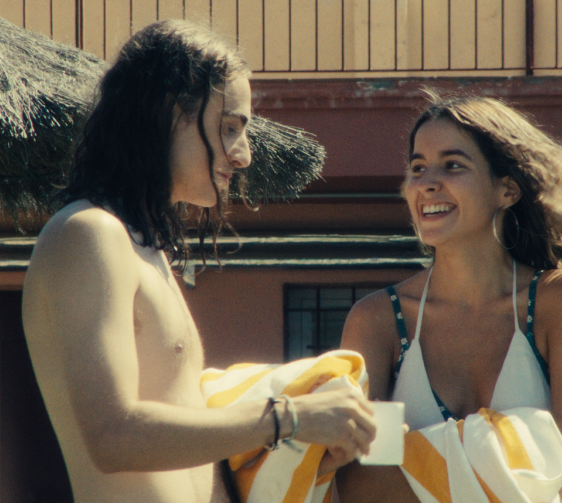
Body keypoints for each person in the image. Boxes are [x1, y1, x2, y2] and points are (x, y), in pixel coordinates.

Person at [22, 20, 376, 503]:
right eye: (230, 128)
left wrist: (296, 454)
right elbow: (113, 437)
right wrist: (289, 417)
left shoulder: (142, 249)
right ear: (171, 114)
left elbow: (182, 456)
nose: (244, 155)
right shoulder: (89, 234)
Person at [336, 93, 562, 502]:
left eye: (453, 165)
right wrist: (516, 454)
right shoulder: (377, 320)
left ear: (506, 189)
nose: (426, 183)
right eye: (417, 168)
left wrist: (417, 458)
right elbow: (360, 487)